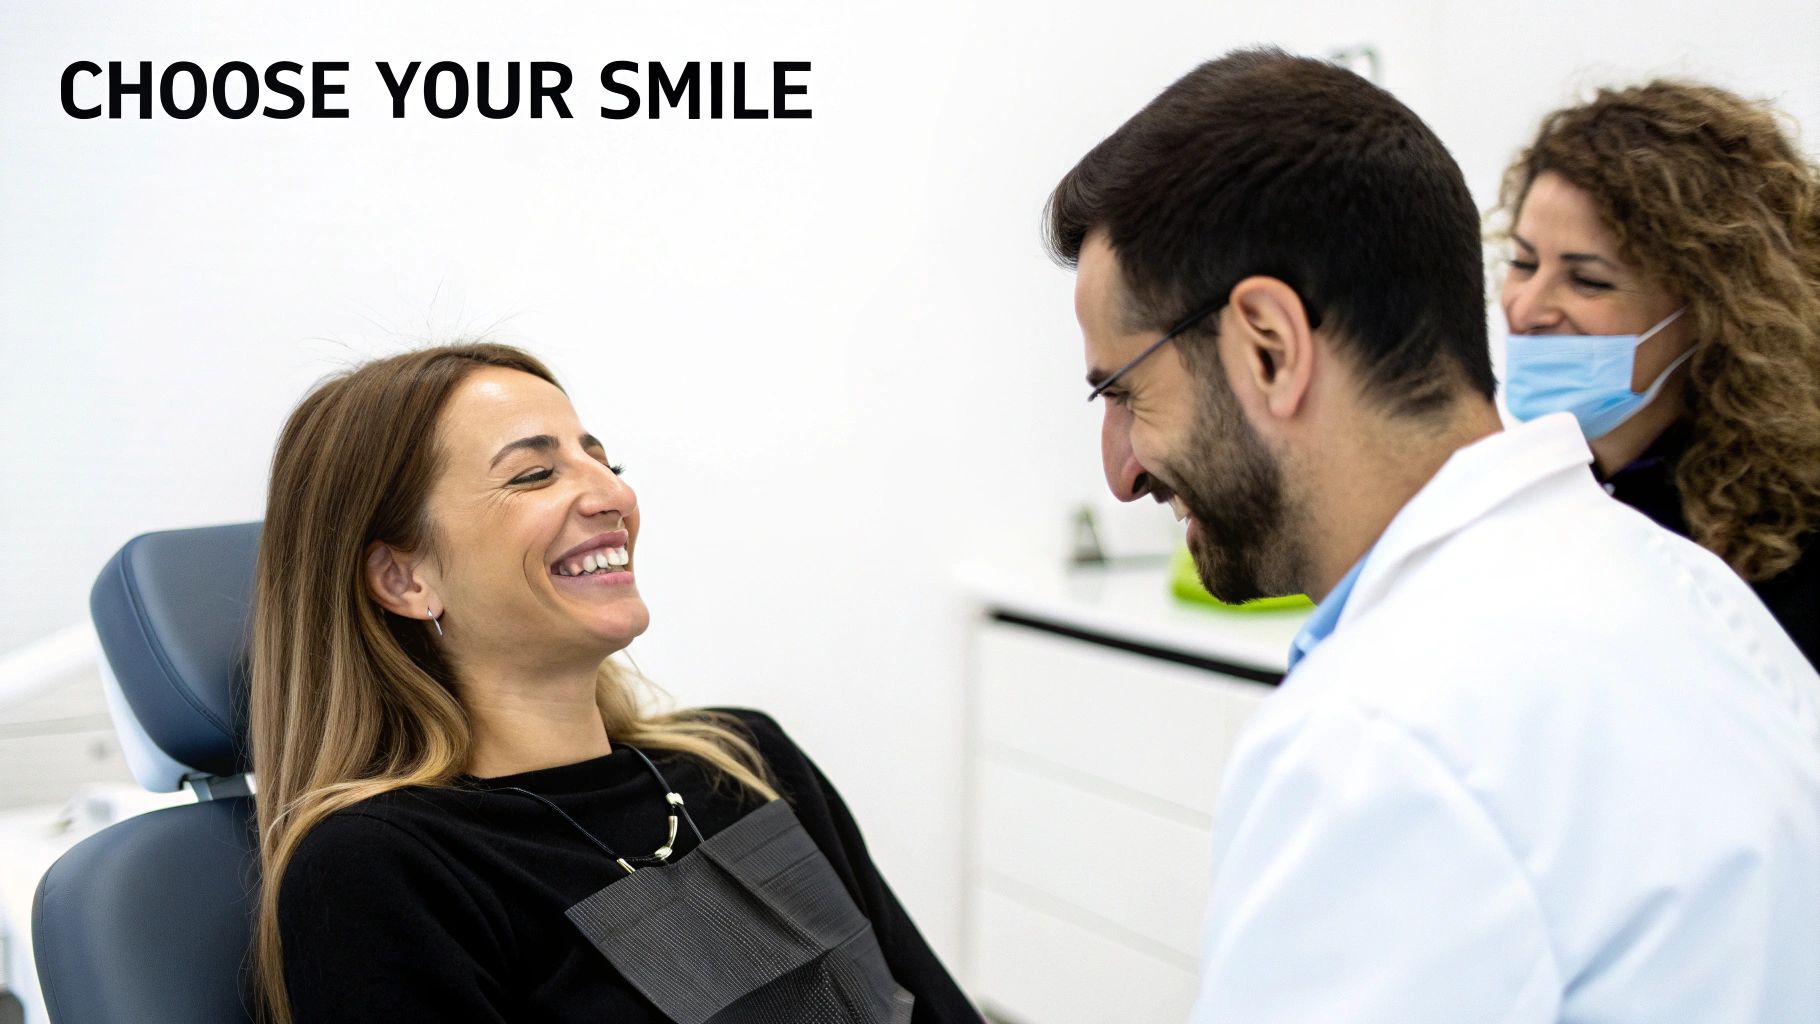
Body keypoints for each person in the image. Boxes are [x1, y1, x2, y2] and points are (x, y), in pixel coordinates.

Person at [1045, 48, 1820, 1022]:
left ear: (1269, 347)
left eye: (1123, 392)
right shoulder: (1697, 601)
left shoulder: (1380, 742)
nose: (1118, 471)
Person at [249, 343, 978, 1023]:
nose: (611, 496)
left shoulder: (743, 760)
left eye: (605, 462)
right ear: (404, 578)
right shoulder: (382, 870)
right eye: (535, 474)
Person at [1496, 79, 1820, 667]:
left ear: (1714, 310)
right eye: (1523, 262)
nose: (1526, 308)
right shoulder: (1530, 490)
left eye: (1588, 280)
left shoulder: (1790, 552)